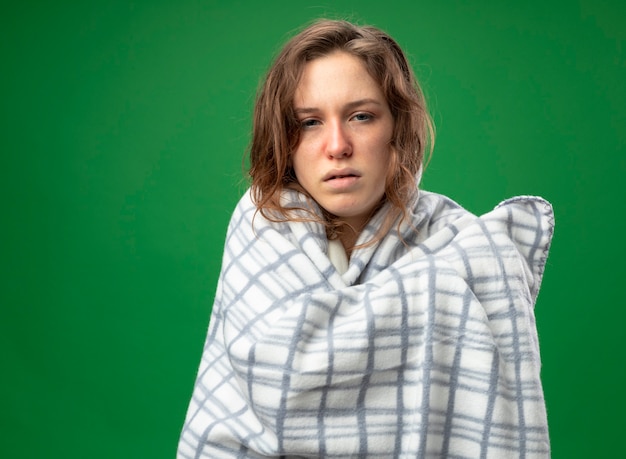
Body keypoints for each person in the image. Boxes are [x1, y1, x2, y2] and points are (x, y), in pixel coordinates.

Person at [178, 19, 553, 458]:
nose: (337, 145)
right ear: (285, 139)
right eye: (310, 122)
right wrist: (434, 288)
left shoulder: (461, 242)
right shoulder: (264, 220)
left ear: (398, 127)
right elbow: (276, 379)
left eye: (361, 116)